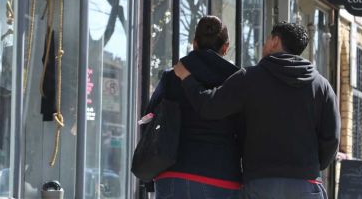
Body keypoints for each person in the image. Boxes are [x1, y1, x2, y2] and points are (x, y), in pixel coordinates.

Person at [173, 22, 340, 199]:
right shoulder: (322, 86)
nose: (264, 43)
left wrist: (187, 78)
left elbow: (209, 106)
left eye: (267, 38)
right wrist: (311, 167)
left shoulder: (249, 78)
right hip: (307, 184)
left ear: (275, 41)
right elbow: (332, 138)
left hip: (260, 183)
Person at [145, 16, 242, 199]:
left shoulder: (172, 77)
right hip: (221, 174)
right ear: (225, 47)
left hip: (173, 173)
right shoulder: (237, 81)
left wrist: (149, 173)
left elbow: (149, 119)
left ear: (194, 43)